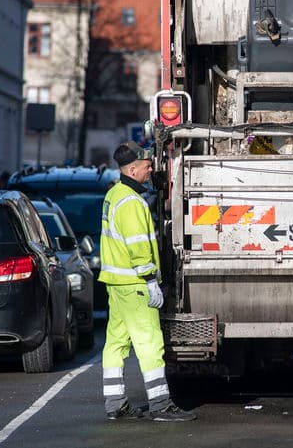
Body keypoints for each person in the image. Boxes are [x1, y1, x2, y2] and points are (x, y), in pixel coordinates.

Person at [99, 141, 196, 422]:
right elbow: (138, 244)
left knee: (116, 343)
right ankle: (161, 405)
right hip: (135, 285)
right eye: (147, 165)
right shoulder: (131, 202)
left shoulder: (114, 195)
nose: (151, 169)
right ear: (132, 169)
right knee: (150, 343)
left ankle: (115, 403)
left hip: (117, 283)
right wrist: (150, 280)